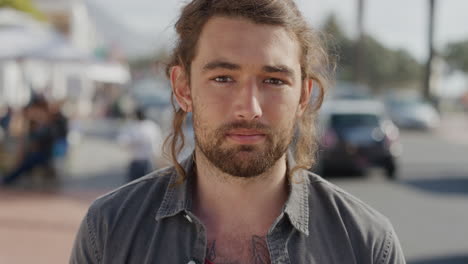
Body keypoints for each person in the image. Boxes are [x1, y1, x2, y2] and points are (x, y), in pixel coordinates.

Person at [70, 0, 406, 263]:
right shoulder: (110, 230)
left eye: (273, 80)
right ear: (184, 88)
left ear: (303, 95)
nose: (249, 107)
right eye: (223, 78)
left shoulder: (368, 244)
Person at [118, 108, 163, 182]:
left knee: (139, 186)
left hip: (144, 161)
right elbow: (158, 142)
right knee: (140, 186)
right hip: (141, 161)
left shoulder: (145, 126)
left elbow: (123, 142)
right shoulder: (150, 126)